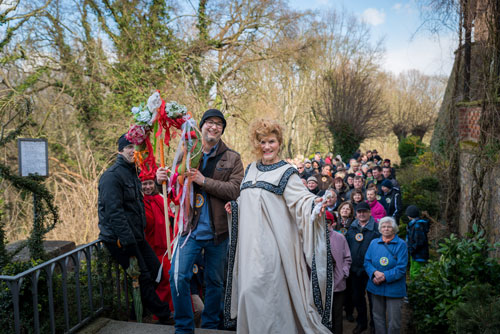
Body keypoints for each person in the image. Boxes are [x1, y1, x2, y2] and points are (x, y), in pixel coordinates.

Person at [224, 118, 333, 334]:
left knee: (265, 292)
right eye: (262, 142)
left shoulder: (286, 172)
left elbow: (301, 200)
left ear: (279, 143)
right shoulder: (251, 169)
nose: (267, 147)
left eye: (271, 141)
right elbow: (249, 200)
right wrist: (235, 207)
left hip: (272, 247)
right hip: (249, 249)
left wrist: (315, 203)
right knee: (248, 291)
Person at [156, 109, 244, 333]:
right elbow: (172, 183)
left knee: (215, 284)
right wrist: (160, 181)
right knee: (177, 277)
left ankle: (210, 327)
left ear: (222, 130)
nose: (213, 127)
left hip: (218, 233)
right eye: (210, 123)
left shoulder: (232, 158)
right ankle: (184, 327)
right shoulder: (187, 150)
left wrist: (204, 181)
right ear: (201, 126)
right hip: (189, 231)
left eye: (218, 125)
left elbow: (236, 190)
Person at [98, 134, 173, 324]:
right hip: (119, 240)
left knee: (157, 271)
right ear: (120, 151)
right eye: (129, 147)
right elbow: (114, 213)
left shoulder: (133, 173)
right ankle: (164, 317)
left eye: (135, 147)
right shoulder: (112, 176)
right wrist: (128, 242)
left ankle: (137, 311)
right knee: (144, 277)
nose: (133, 151)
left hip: (137, 236)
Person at [364, 217, 408, 334]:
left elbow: (401, 267)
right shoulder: (374, 243)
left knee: (394, 320)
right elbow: (367, 261)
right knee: (377, 317)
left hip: (394, 288)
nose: (386, 229)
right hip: (375, 286)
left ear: (394, 229)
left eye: (389, 226)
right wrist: (374, 273)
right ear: (380, 229)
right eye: (383, 226)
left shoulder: (401, 244)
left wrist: (384, 276)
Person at [345, 202, 381, 334]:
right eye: (359, 212)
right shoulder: (352, 227)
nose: (361, 214)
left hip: (371, 270)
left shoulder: (376, 228)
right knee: (358, 298)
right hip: (355, 270)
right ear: (356, 213)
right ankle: (362, 323)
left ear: (369, 212)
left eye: (364, 211)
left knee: (373, 300)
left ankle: (374, 324)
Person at [142, 174, 174, 312]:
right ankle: (160, 311)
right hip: (151, 248)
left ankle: (172, 310)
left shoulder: (161, 199)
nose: (148, 187)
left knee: (170, 276)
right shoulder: (139, 202)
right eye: (144, 184)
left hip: (167, 248)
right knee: (158, 279)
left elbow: (171, 217)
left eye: (150, 183)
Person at [328, 212, 352, 334]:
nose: (324, 224)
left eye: (327, 221)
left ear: (332, 223)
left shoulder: (340, 237)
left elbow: (347, 258)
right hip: (320, 285)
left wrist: (344, 273)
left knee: (337, 315)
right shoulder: (312, 237)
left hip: (338, 283)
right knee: (322, 314)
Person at [406, 205, 429, 279]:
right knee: (413, 270)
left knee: (417, 272)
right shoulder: (413, 225)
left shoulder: (417, 226)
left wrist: (411, 249)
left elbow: (419, 242)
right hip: (414, 254)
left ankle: (416, 288)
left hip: (418, 255)